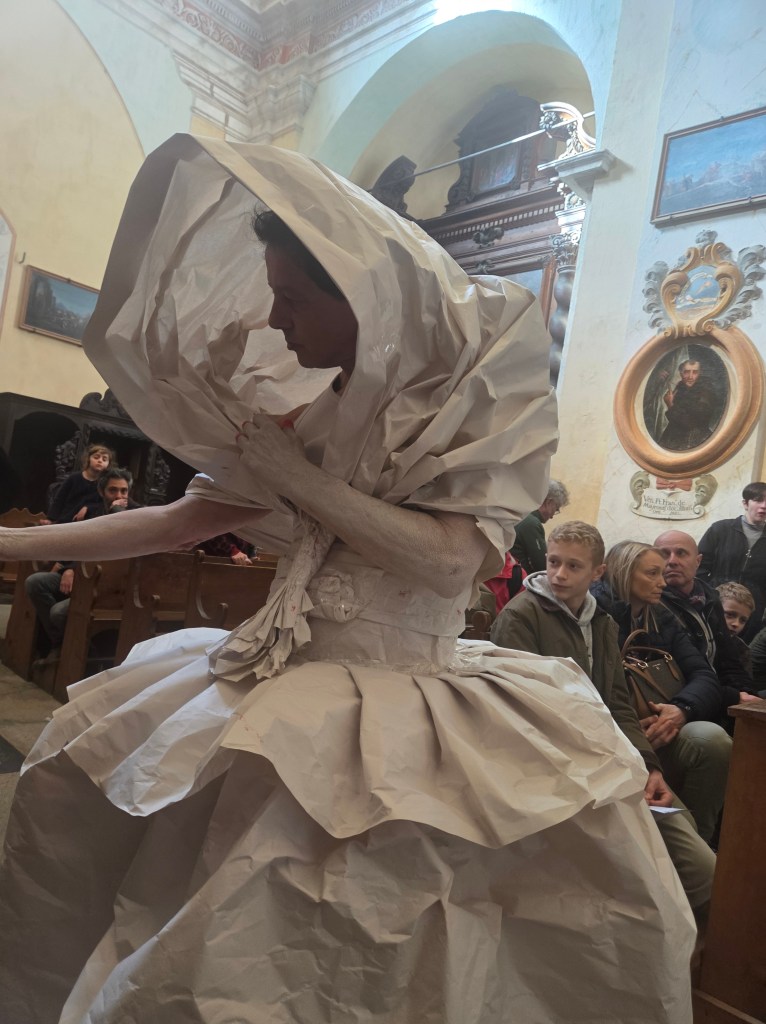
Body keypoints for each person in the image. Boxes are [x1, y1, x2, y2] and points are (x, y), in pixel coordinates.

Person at [0, 136, 694, 1024]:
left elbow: (449, 559)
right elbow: (177, 521)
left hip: (407, 700)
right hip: (285, 683)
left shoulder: (468, 410)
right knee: (167, 866)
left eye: (291, 298)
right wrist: (14, 543)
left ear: (360, 297)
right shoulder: (307, 414)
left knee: (379, 936)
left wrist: (298, 479)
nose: (276, 321)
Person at [490, 520, 715, 928]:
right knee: (693, 870)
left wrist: (649, 766)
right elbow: (524, 711)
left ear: (598, 573)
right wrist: (606, 765)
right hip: (559, 767)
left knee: (695, 850)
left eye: (573, 566)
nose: (559, 574)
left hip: (610, 759)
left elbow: (618, 704)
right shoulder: (521, 617)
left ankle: (679, 934)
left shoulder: (602, 623)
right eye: (553, 562)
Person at [593, 541, 731, 844]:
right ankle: (685, 845)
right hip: (616, 735)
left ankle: (701, 839)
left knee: (712, 739)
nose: (663, 582)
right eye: (652, 573)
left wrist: (681, 710)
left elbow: (705, 676)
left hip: (660, 726)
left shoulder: (661, 616)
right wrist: (629, 725)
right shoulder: (595, 614)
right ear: (624, 573)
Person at [24, 467, 138, 660]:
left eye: (123, 491)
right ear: (101, 491)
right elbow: (81, 545)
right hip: (85, 576)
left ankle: (78, 654)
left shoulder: (137, 514)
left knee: (58, 613)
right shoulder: (93, 512)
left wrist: (117, 512)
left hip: (111, 586)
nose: (119, 496)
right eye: (113, 490)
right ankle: (61, 643)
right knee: (35, 582)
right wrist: (69, 568)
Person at [654, 529, 757, 728]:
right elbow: (677, 674)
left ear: (698, 561)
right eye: (664, 554)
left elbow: (729, 662)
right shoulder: (653, 604)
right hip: (680, 701)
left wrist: (748, 696)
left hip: (714, 695)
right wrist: (731, 697)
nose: (672, 561)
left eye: (681, 553)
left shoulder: (710, 599)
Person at [697, 481, 766, 640]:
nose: (764, 506)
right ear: (745, 503)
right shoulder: (720, 529)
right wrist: (708, 594)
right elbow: (699, 567)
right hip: (715, 604)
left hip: (751, 614)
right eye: (758, 500)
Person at [510, 478, 569, 573]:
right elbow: (542, 565)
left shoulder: (521, 513)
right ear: (548, 502)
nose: (552, 516)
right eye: (556, 509)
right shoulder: (531, 523)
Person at [659, 359, 718, 452]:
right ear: (681, 373)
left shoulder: (706, 391)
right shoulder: (681, 386)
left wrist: (670, 405)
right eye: (686, 372)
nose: (690, 377)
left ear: (700, 373)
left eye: (695, 372)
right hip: (675, 435)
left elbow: (690, 423)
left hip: (695, 439)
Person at [47, 443, 114, 523]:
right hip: (66, 520)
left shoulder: (104, 483)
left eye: (104, 459)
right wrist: (50, 519)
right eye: (96, 457)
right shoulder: (74, 478)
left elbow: (104, 504)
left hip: (88, 522)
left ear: (108, 465)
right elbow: (60, 499)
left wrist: (88, 507)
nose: (100, 460)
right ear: (88, 459)